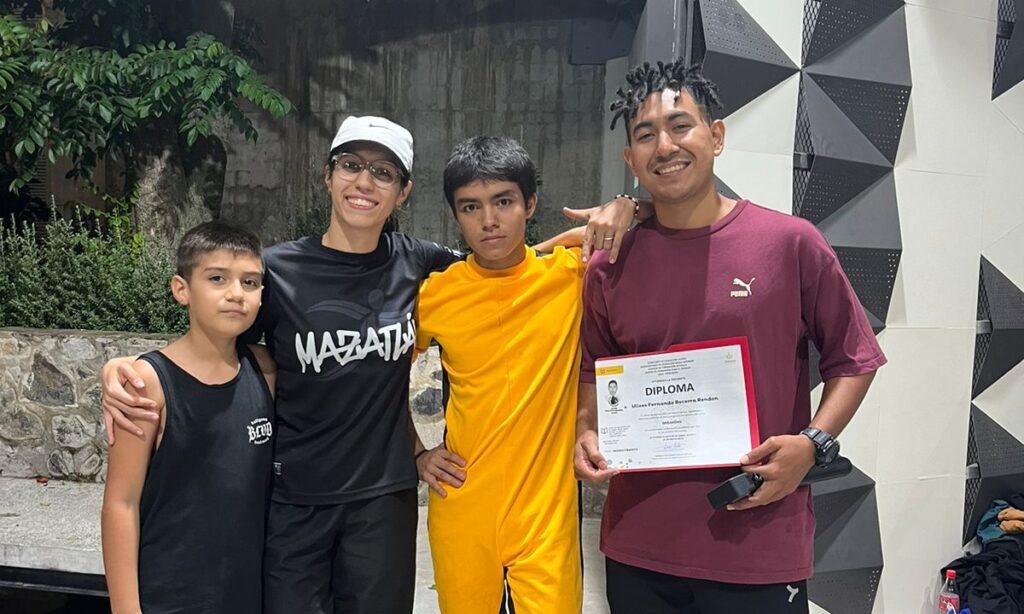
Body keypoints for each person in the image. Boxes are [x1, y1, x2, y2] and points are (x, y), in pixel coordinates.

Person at [100, 116, 638, 613]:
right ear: (328, 175)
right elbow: (221, 335)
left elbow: (505, 266)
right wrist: (136, 369)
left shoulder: (418, 264)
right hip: (296, 499)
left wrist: (626, 206)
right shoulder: (277, 271)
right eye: (351, 165)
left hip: (384, 502)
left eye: (383, 172)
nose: (364, 181)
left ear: (403, 191)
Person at [573, 59, 887, 614]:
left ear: (716, 136)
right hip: (637, 545)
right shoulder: (608, 264)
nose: (664, 145)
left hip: (758, 541)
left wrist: (813, 444)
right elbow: (594, 369)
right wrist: (586, 432)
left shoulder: (790, 243)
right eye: (645, 135)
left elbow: (854, 358)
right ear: (630, 159)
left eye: (680, 125)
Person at [414, 137, 647, 613]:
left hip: (546, 511)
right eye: (471, 207)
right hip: (463, 502)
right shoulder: (435, 294)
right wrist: (417, 450)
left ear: (531, 204)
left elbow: (669, 219)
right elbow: (383, 373)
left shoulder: (570, 274)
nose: (489, 220)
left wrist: (630, 205)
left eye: (503, 202)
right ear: (455, 215)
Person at [101, 222, 276, 614]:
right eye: (217, 278)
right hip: (170, 597)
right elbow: (121, 504)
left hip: (247, 595)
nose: (236, 293)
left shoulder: (264, 369)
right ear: (182, 289)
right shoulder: (147, 384)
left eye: (250, 282)